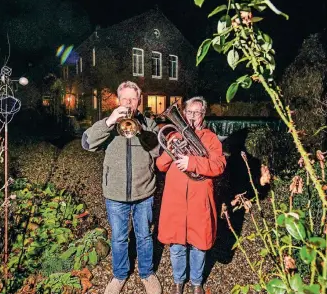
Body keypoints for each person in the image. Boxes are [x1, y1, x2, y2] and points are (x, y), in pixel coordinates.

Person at [82, 81, 162, 294]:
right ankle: (119, 275)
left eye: (132, 99)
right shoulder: (109, 124)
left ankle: (147, 273)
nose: (128, 103)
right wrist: (109, 121)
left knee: (144, 236)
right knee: (118, 238)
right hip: (115, 194)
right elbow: (87, 144)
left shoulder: (149, 124)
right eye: (124, 98)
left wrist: (141, 129)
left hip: (144, 192)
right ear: (118, 100)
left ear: (139, 101)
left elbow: (157, 153)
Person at [156, 96, 226, 294]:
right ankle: (178, 281)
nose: (193, 116)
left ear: (203, 115)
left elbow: (219, 165)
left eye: (197, 112)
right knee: (176, 244)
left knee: (199, 244)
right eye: (189, 112)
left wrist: (192, 163)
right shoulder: (174, 137)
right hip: (175, 199)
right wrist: (170, 149)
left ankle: (196, 282)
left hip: (200, 199)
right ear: (184, 114)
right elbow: (161, 165)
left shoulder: (211, 139)